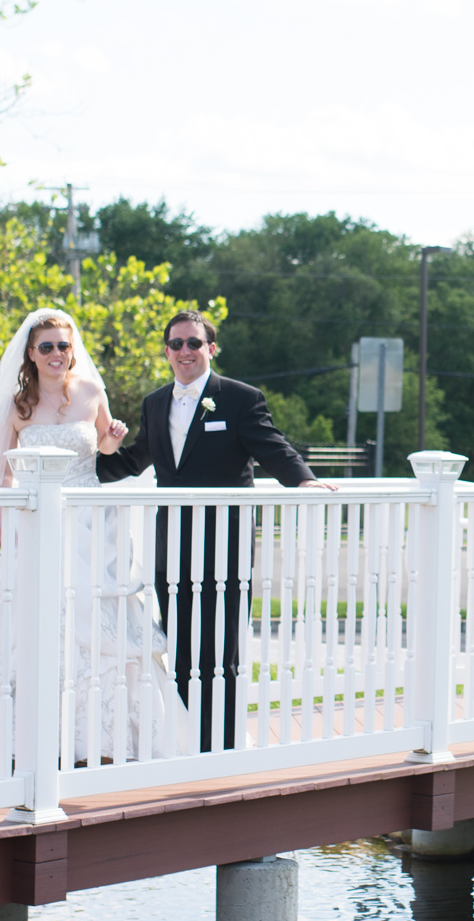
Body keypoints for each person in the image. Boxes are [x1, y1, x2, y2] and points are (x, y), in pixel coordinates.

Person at [95, 310, 331, 750]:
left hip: (225, 543)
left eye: (194, 343)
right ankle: (188, 740)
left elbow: (271, 445)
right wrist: (78, 468)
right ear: (167, 351)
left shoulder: (240, 398)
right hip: (173, 543)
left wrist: (303, 478)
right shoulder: (156, 402)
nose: (185, 351)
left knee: (222, 648)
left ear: (210, 348)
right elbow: (135, 459)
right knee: (180, 642)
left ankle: (222, 743)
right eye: (177, 343)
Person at [0, 309, 194, 763]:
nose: (57, 354)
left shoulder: (91, 391)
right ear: (31, 355)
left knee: (98, 615)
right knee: (41, 617)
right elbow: (1, 473)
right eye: (47, 346)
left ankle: (111, 735)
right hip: (37, 521)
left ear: (73, 351)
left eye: (63, 345)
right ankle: (39, 733)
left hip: (92, 522)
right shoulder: (18, 405)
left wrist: (112, 435)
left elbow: (105, 447)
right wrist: (2, 519)